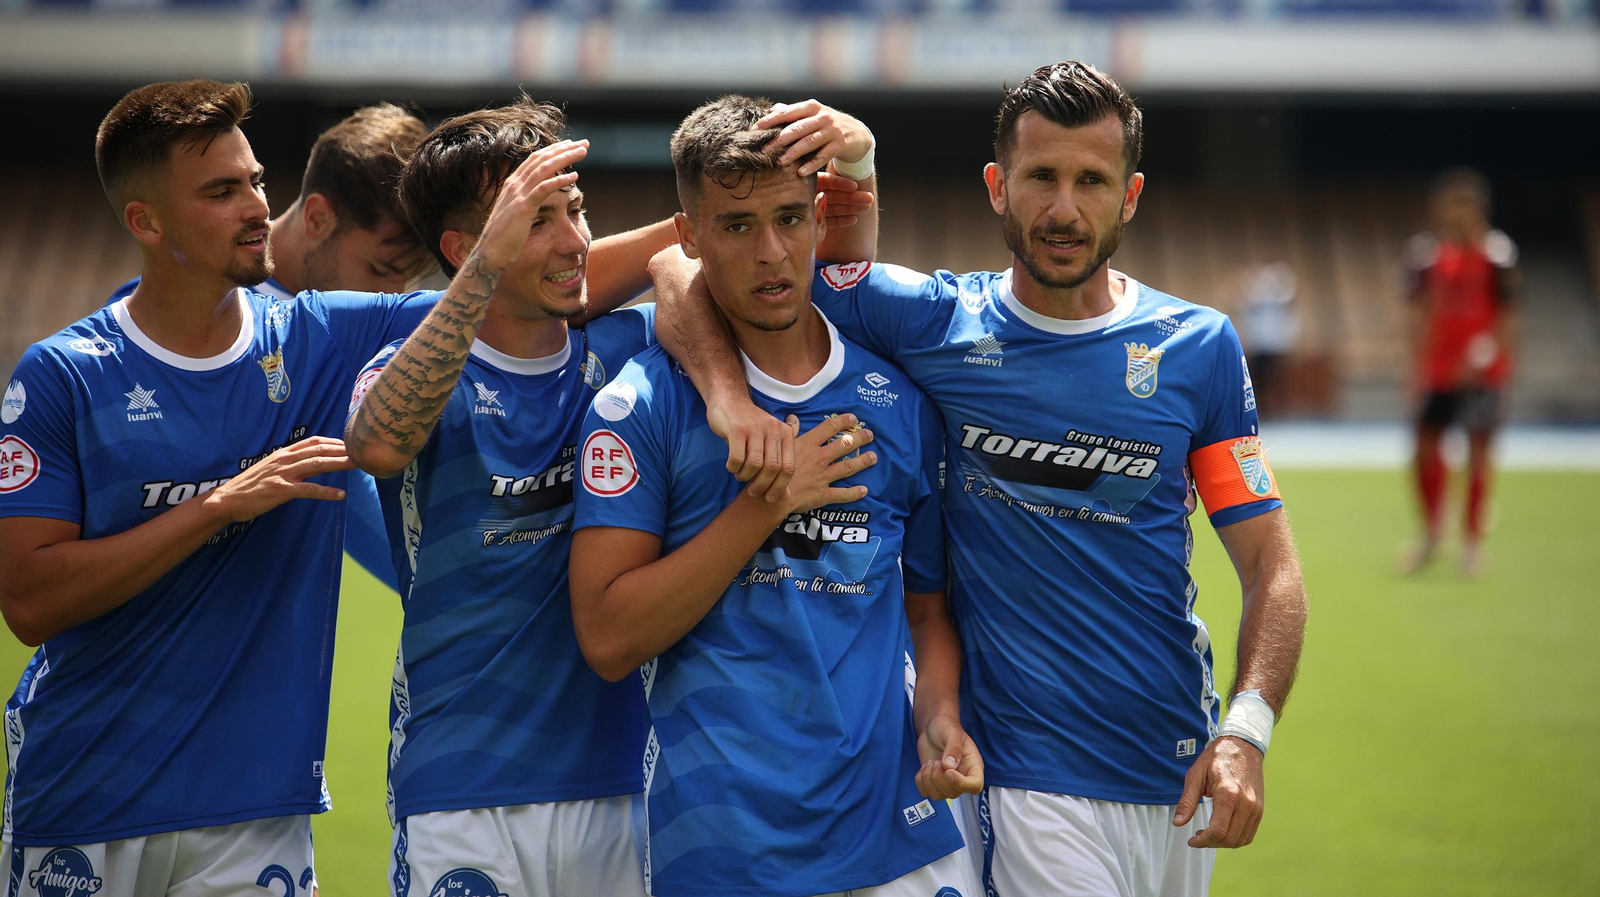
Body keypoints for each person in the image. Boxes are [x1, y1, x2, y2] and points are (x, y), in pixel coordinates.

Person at [652, 64, 1308, 897]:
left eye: (1091, 181)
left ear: (1130, 195)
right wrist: (727, 394)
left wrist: (1245, 732)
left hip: (1177, 770)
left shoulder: (1199, 349)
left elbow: (1271, 567)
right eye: (1041, 177)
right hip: (1025, 775)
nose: (1064, 208)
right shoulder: (933, 323)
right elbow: (685, 271)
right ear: (999, 187)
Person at [0, 79, 668, 896]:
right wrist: (216, 506)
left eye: (255, 181)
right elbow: (28, 602)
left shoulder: (319, 334)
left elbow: (529, 287)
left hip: (256, 808)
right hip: (86, 792)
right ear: (145, 220)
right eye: (221, 191)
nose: (255, 206)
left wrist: (688, 225)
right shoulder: (65, 374)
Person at [568, 95, 983, 897]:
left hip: (902, 835)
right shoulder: (640, 405)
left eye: (791, 218)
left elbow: (927, 609)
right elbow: (609, 636)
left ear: (819, 220)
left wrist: (940, 718)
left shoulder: (895, 399)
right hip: (726, 846)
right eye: (736, 226)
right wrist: (764, 506)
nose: (772, 252)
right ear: (688, 236)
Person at [341, 98, 660, 897]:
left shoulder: (632, 353)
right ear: (463, 248)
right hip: (461, 790)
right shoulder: (415, 370)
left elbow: (730, 248)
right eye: (534, 218)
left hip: (624, 781)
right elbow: (375, 444)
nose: (572, 239)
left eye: (575, 209)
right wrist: (486, 270)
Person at [106, 101, 436, 593]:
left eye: (406, 279)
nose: (391, 296)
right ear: (319, 218)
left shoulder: (345, 324)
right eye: (383, 270)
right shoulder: (167, 322)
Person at [1402, 168, 1518, 577]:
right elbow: (1417, 315)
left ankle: (1471, 543)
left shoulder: (1498, 255)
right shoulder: (1428, 257)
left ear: (1478, 209)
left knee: (1479, 453)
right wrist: (1419, 365)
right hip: (1438, 371)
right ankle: (1434, 531)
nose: (1455, 215)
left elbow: (1508, 316)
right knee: (1423, 448)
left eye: (1462, 206)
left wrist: (1487, 354)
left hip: (1483, 373)